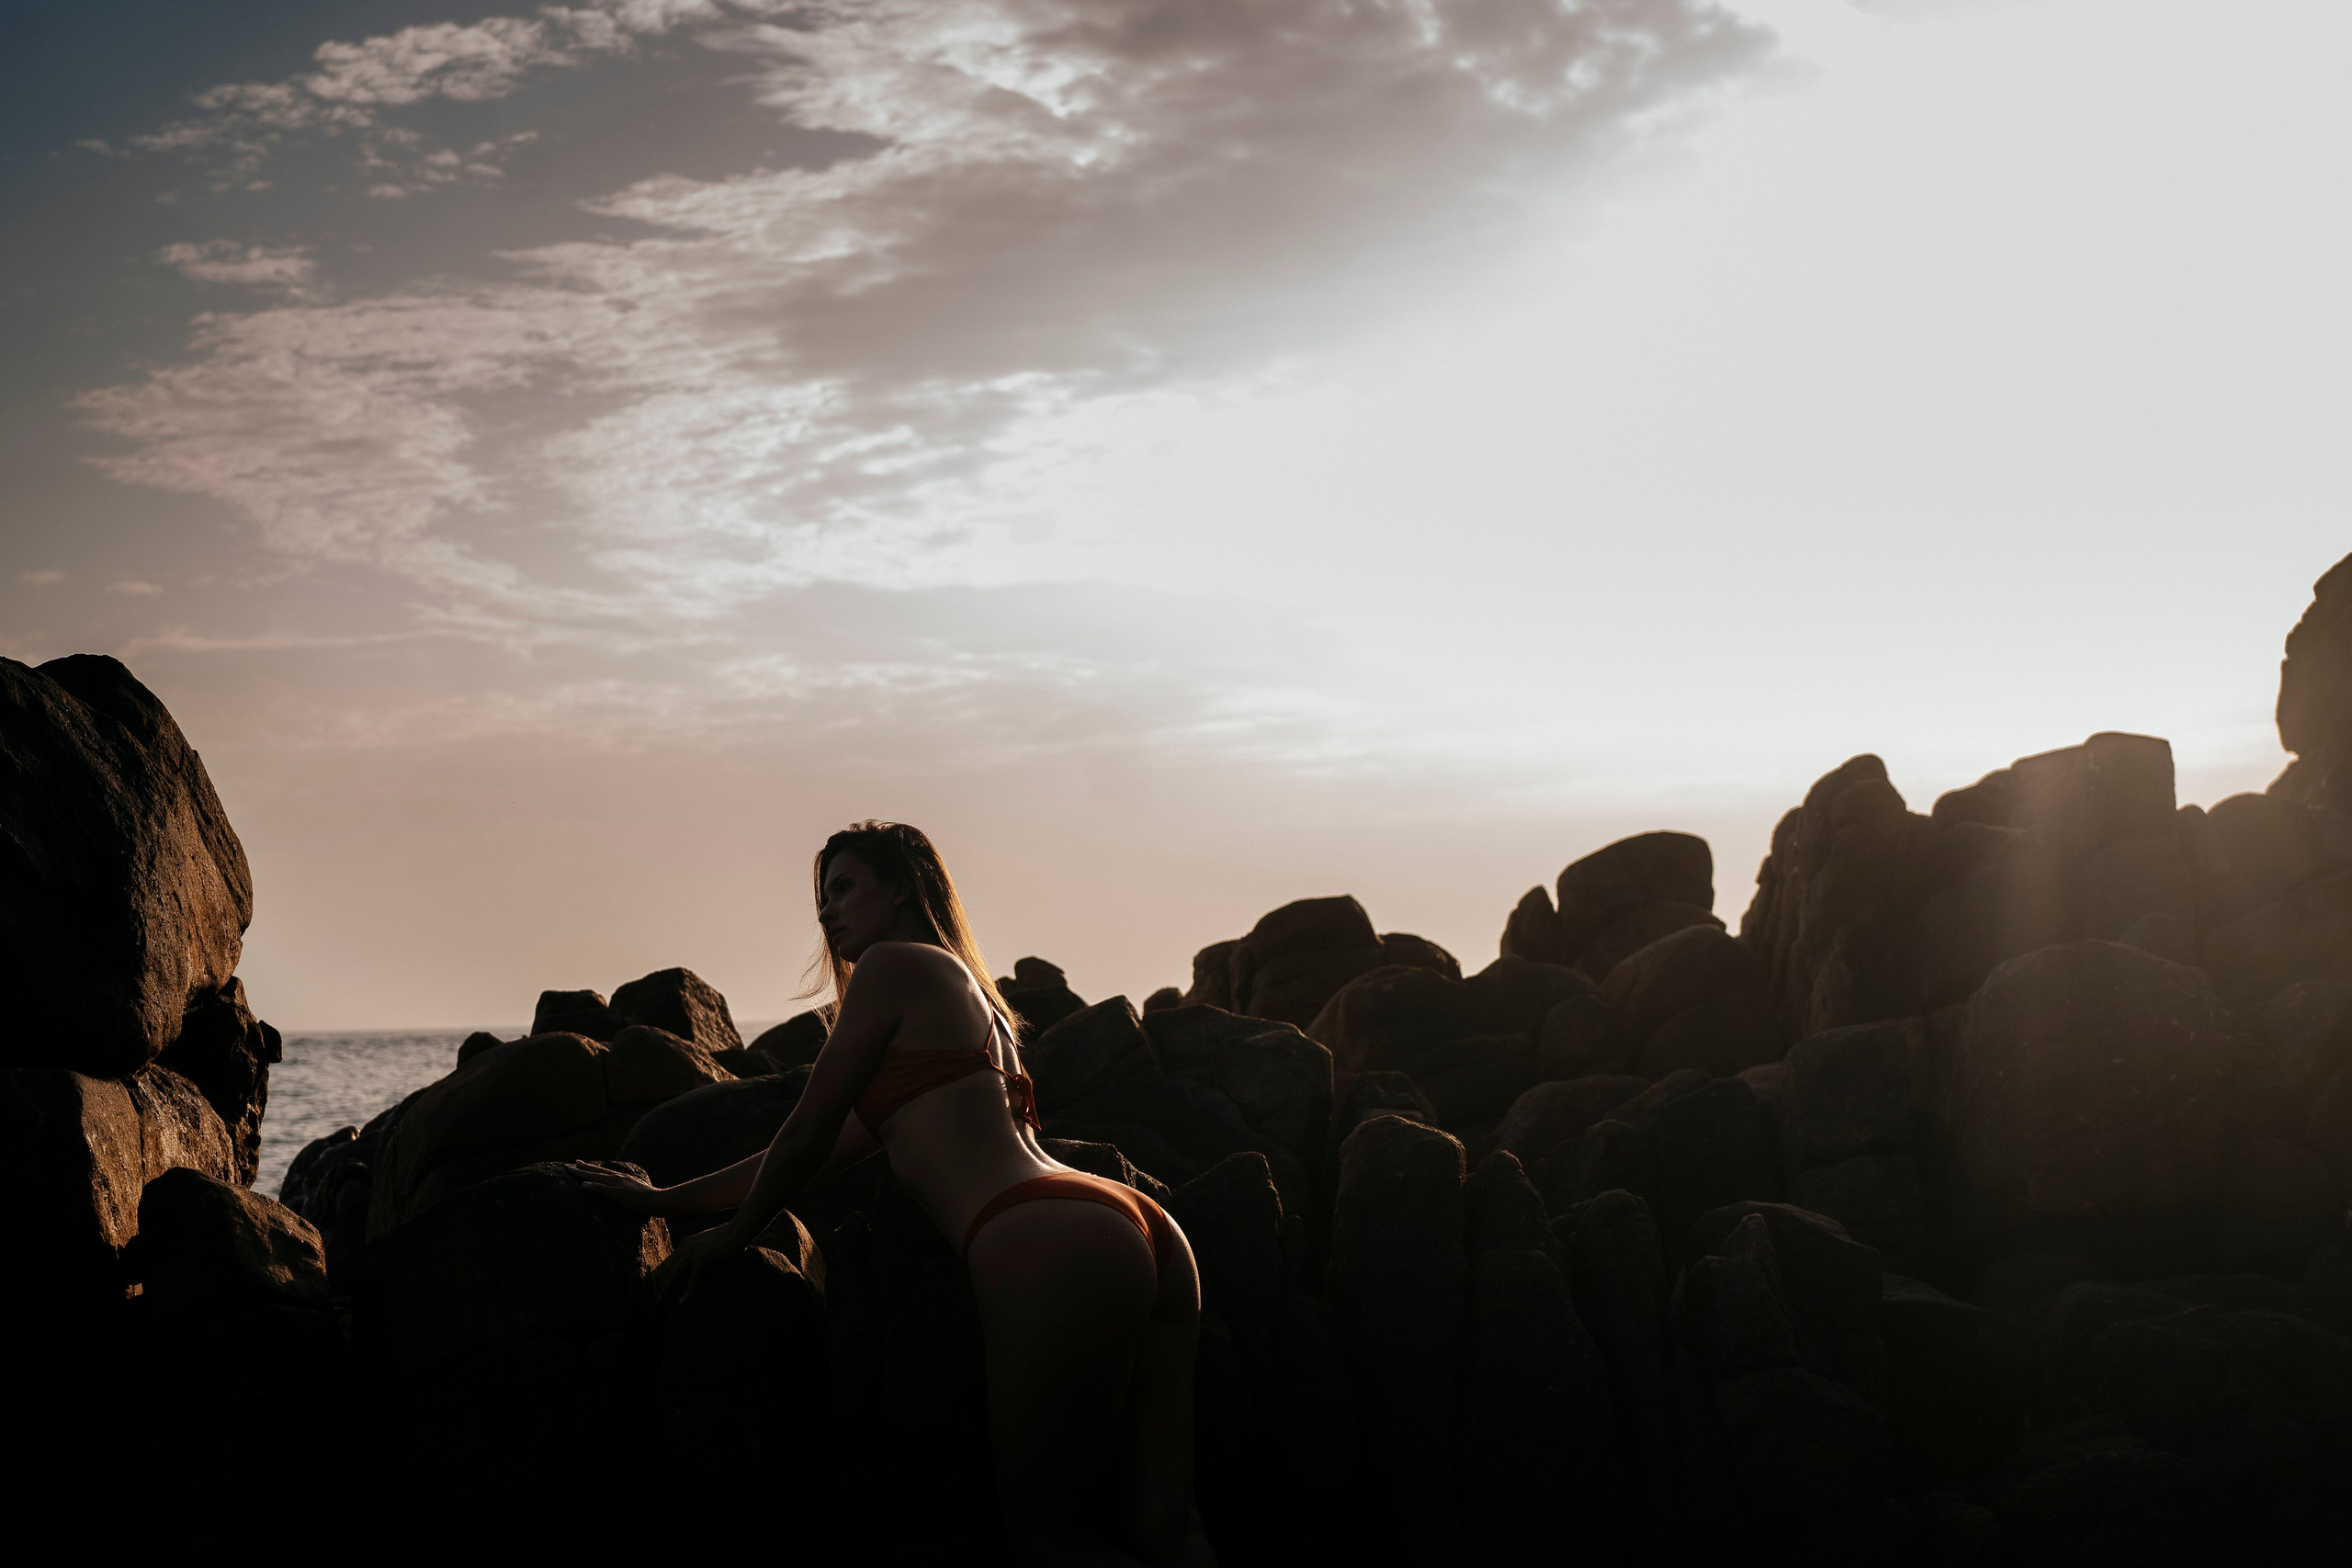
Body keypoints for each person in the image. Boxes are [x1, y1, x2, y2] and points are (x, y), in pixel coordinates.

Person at [570, 821, 1216, 1567]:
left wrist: (735, 1234)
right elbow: (810, 1153)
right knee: (1169, 1532)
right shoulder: (972, 999)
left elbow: (805, 1129)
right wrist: (667, 1200)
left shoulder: (892, 964)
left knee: (1055, 1545)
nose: (828, 911)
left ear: (903, 888)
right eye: (822, 898)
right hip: (1140, 1226)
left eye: (844, 887)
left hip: (1036, 1236)